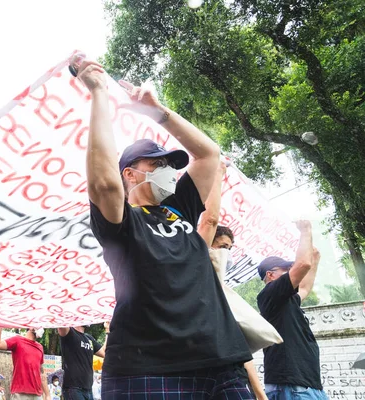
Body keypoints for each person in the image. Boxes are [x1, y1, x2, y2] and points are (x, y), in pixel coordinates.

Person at [73, 58, 252, 399]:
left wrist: (157, 112)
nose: (169, 171)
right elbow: (105, 185)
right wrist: (98, 94)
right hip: (146, 370)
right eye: (157, 164)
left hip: (218, 362)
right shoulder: (122, 222)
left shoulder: (178, 209)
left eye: (170, 165)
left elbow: (209, 155)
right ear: (130, 173)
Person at [196, 162, 268, 400]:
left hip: (228, 370)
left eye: (229, 248)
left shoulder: (222, 292)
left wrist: (260, 394)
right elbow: (210, 220)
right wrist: (218, 174)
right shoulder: (195, 265)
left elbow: (242, 352)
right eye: (221, 247)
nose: (225, 254)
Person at [256, 221, 324, 400]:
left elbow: (305, 286)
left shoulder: (288, 300)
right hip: (291, 386)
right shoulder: (269, 294)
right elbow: (302, 265)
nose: (290, 271)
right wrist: (305, 231)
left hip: (307, 385)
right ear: (270, 275)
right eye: (286, 269)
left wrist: (313, 256)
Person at [0, 328, 49, 400]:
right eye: (38, 324)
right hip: (20, 394)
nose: (41, 328)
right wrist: (0, 327)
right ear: (30, 327)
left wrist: (47, 394)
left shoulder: (40, 347)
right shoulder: (17, 340)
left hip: (37, 395)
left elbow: (41, 372)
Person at [57, 324, 106, 400]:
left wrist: (108, 331)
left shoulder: (89, 338)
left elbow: (104, 353)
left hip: (88, 389)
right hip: (73, 388)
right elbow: (61, 323)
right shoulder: (69, 332)